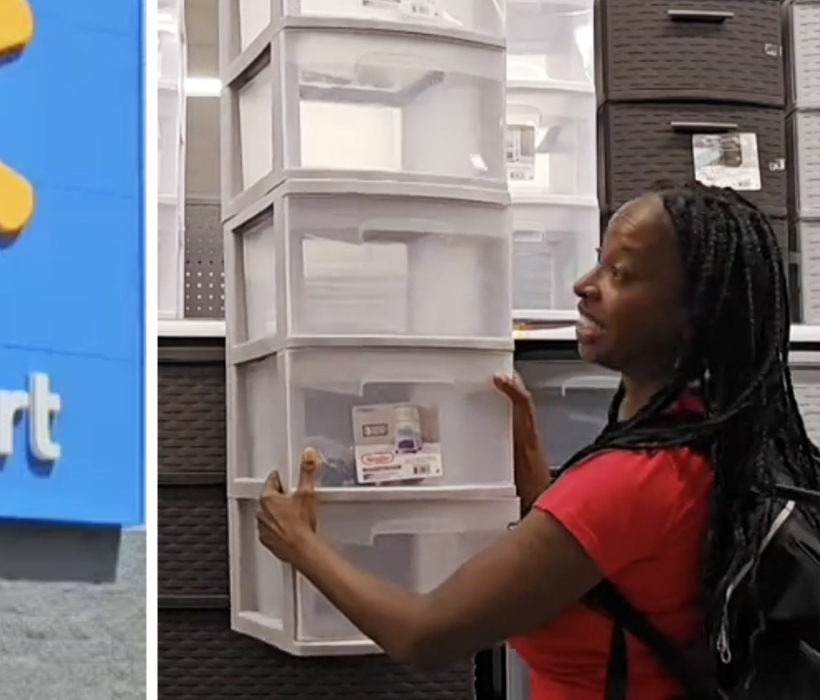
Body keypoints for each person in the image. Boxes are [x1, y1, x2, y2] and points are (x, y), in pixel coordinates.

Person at [257, 183, 820, 699]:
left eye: (619, 274)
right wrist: (537, 473)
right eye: (598, 261)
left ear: (690, 318)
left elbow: (424, 636)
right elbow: (618, 570)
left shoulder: (629, 479)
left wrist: (301, 544)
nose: (583, 286)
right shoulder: (708, 432)